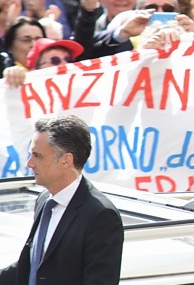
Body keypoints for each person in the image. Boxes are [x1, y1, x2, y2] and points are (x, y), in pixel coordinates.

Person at [0, 114, 123, 284]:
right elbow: (32, 266)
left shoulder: (100, 215)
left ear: (66, 161)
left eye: (38, 156)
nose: (29, 163)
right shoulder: (44, 200)